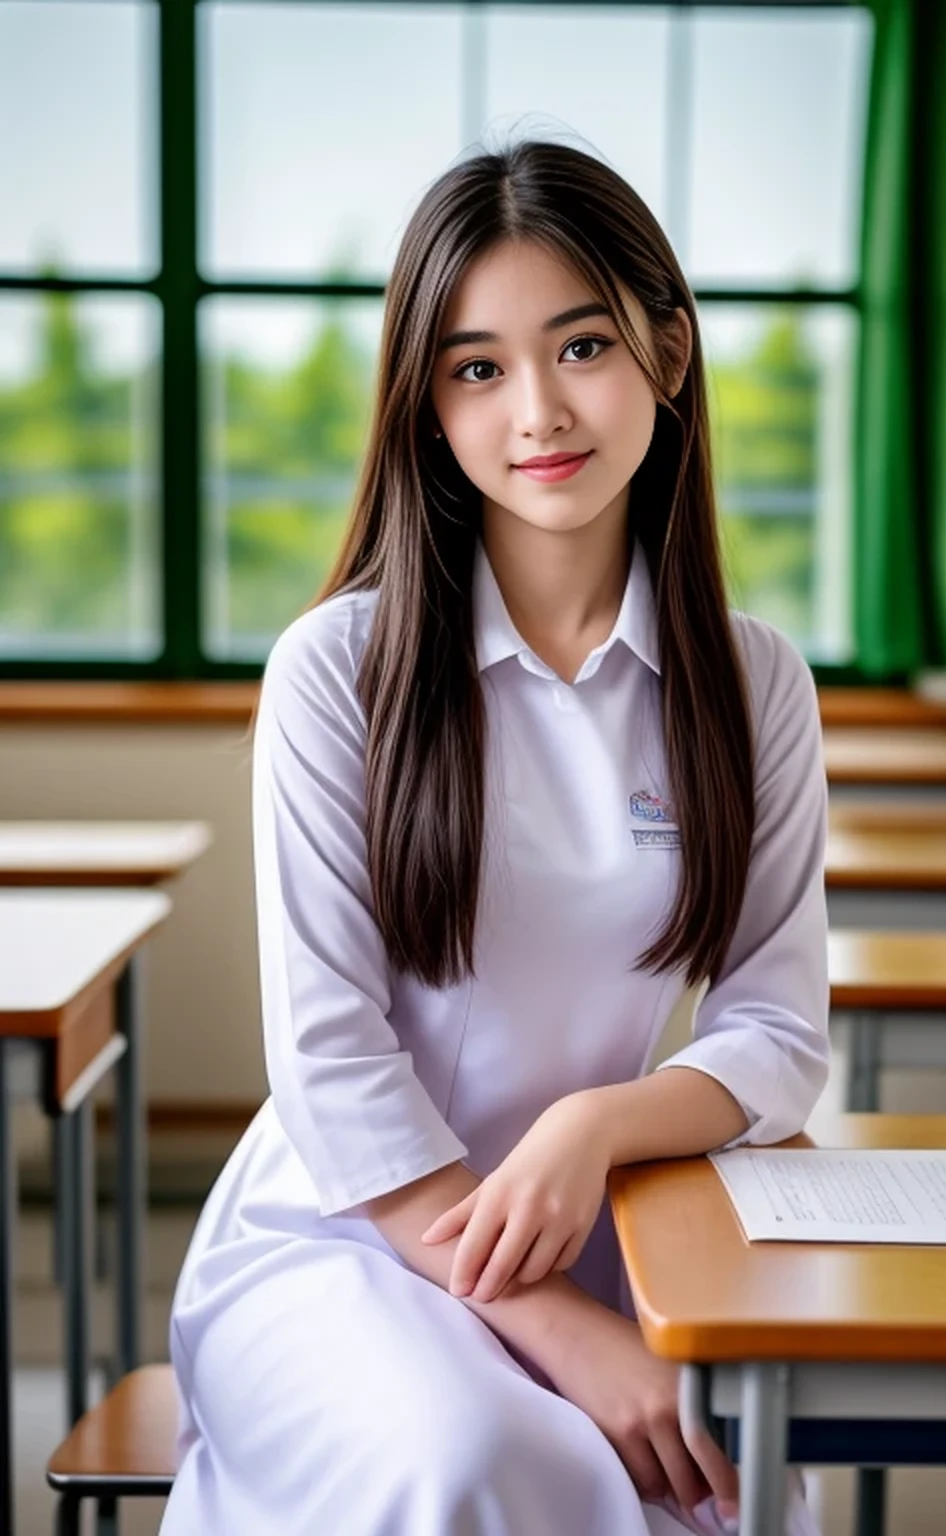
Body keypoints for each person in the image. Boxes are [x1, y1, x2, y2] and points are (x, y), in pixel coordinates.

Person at [160, 137, 829, 1536]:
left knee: (733, 1478)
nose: (538, 409)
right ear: (428, 406)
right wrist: (561, 1335)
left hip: (613, 1230)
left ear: (669, 350)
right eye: (476, 367)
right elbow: (335, 1062)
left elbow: (777, 1029)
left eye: (580, 344)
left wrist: (598, 1123)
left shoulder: (753, 678)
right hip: (346, 1237)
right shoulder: (337, 668)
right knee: (462, 1459)